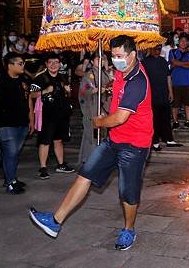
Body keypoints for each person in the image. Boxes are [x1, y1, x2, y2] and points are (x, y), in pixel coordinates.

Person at [29, 35, 153, 251]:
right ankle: (55, 221)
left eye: (120, 56)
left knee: (128, 192)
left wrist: (100, 122)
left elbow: (120, 118)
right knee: (85, 174)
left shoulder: (138, 81)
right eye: (113, 56)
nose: (116, 60)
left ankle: (129, 229)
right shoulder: (121, 73)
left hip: (134, 144)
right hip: (114, 139)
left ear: (133, 54)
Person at [0, 53, 34, 194]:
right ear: (10, 65)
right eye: (20, 63)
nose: (23, 66)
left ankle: (11, 178)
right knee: (10, 153)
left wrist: (31, 119)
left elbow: (29, 100)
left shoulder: (24, 80)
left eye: (23, 63)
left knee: (14, 153)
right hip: (6, 124)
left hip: (22, 123)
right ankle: (11, 182)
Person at [31, 53, 75, 179]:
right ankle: (43, 167)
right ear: (46, 64)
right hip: (46, 114)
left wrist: (68, 91)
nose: (53, 65)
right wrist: (44, 91)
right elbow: (31, 94)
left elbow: (68, 93)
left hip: (61, 114)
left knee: (59, 140)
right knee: (45, 141)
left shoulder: (63, 77)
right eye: (50, 62)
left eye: (56, 62)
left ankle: (61, 164)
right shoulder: (40, 78)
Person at [143, 45, 182, 150]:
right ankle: (154, 141)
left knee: (165, 117)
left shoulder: (163, 61)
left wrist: (171, 92)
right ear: (150, 49)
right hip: (151, 94)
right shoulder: (145, 62)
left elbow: (168, 76)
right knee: (154, 119)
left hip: (163, 93)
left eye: (159, 49)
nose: (157, 51)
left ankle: (168, 139)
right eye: (155, 49)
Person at [77, 53, 113, 165]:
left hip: (103, 107)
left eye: (103, 59)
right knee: (91, 135)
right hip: (92, 108)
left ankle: (98, 159)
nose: (101, 61)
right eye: (98, 59)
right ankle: (90, 160)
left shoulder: (105, 74)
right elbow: (83, 91)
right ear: (92, 61)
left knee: (102, 135)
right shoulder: (89, 75)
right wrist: (95, 90)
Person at [169, 33, 189, 129]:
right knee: (175, 103)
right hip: (176, 81)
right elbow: (173, 62)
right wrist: (185, 64)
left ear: (188, 43)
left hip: (188, 81)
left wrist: (178, 63)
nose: (183, 43)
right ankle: (175, 122)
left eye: (185, 41)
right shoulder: (172, 52)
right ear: (178, 42)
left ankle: (188, 121)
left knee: (188, 103)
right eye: (181, 41)